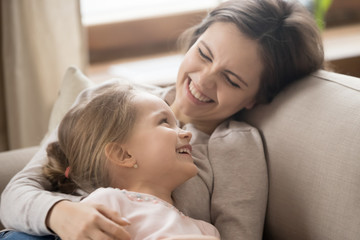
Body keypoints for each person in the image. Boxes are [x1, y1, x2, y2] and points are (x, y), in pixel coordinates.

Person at [0, 0, 324, 239]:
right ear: (193, 41)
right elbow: (18, 192)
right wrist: (60, 213)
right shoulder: (106, 99)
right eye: (204, 54)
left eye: (232, 79)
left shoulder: (235, 147)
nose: (204, 80)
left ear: (255, 97)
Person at [43, 82, 219, 239]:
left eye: (178, 125)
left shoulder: (205, 230)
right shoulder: (106, 204)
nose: (186, 133)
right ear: (123, 155)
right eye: (164, 122)